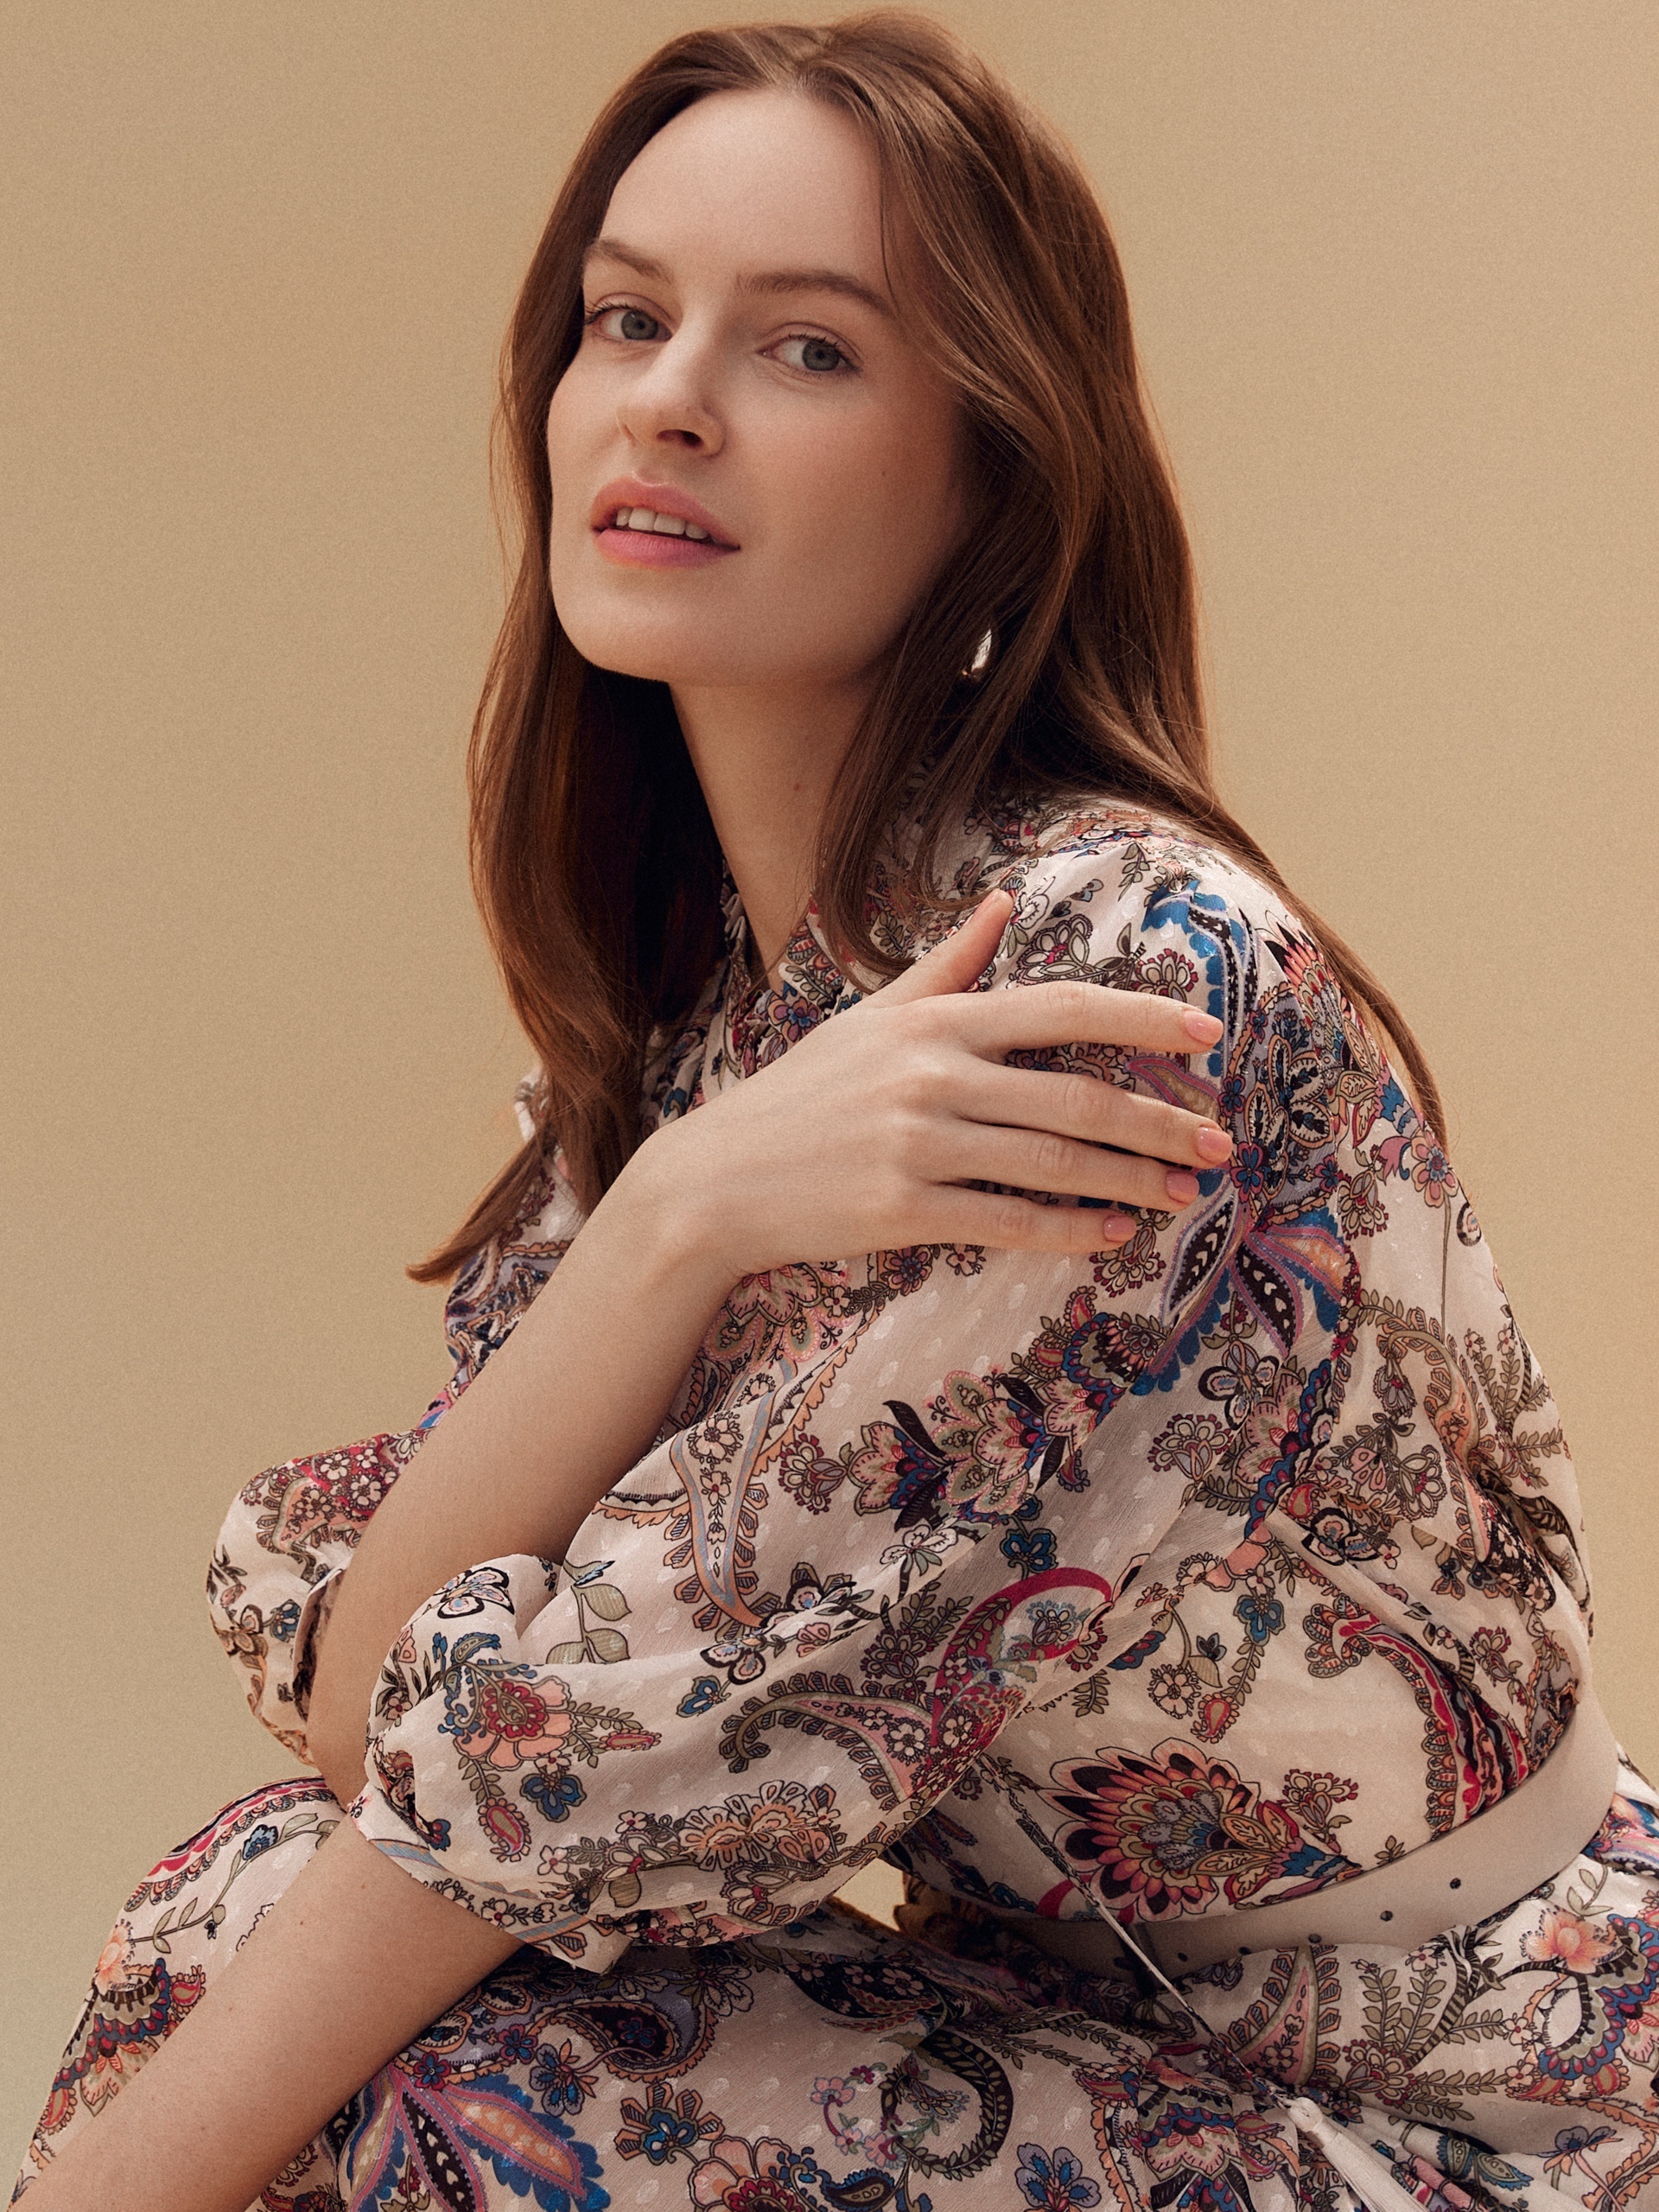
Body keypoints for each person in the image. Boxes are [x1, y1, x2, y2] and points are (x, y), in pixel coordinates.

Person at [17, 16, 1657, 2212]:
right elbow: (370, 1709)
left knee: (400, 2069)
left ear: (996, 477)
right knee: (248, 1911)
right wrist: (669, 1212)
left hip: (1485, 2121)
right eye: (626, 319)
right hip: (1083, 2030)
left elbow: (520, 1789)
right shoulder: (731, 1020)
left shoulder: (1122, 992)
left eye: (805, 348)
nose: (668, 399)